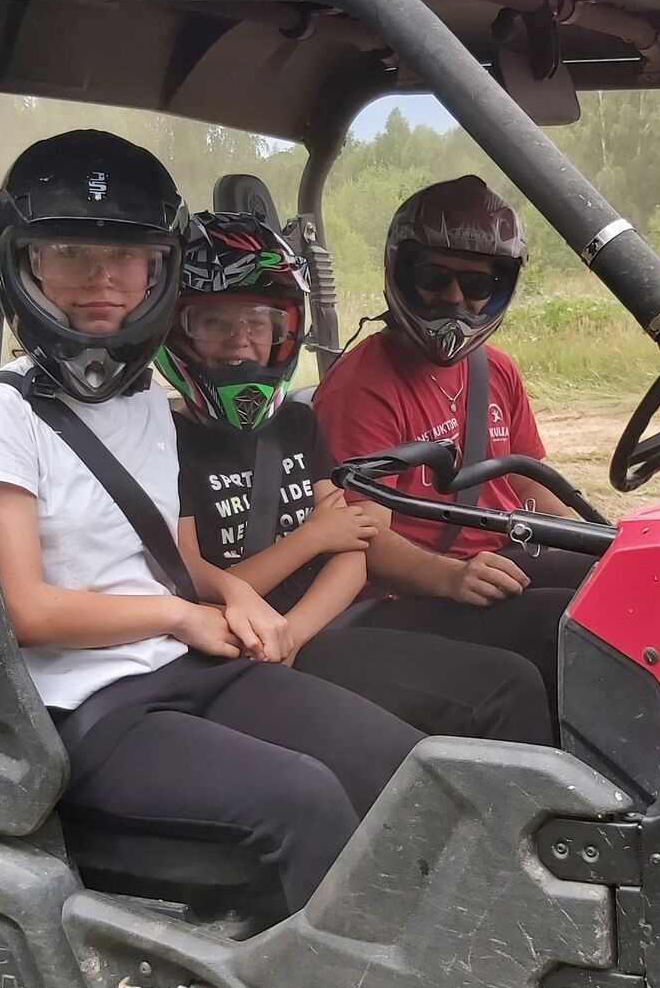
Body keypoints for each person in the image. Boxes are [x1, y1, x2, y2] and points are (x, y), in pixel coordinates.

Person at [0, 130, 419, 911]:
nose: (102, 278)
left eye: (127, 257)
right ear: (26, 267)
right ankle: (350, 984)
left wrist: (230, 592)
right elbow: (26, 611)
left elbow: (170, 555)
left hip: (188, 665)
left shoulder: (141, 402)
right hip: (83, 707)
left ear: (158, 271)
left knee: (402, 761)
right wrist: (180, 615)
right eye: (69, 254)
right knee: (304, 800)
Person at [157, 211, 553, 747]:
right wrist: (310, 540)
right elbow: (195, 589)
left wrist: (296, 630)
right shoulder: (167, 443)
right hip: (239, 645)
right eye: (215, 324)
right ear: (177, 330)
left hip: (318, 626)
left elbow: (354, 548)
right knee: (502, 691)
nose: (241, 343)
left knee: (520, 672)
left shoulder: (297, 426)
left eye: (258, 325)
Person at [311, 175, 594, 711]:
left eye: (476, 284)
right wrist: (452, 577)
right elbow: (360, 537)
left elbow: (526, 481)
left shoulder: (496, 370)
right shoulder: (362, 385)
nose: (454, 298)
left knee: (615, 588)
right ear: (401, 271)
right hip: (405, 594)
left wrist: (597, 538)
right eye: (434, 278)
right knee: (569, 626)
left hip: (494, 559)